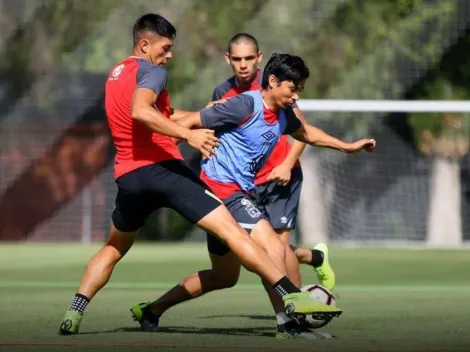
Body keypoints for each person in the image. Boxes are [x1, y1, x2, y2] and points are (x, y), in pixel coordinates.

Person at [58, 13, 339, 336]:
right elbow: (141, 111)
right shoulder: (152, 72)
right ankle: (291, 295)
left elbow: (156, 114)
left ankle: (75, 312)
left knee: (114, 247)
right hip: (167, 172)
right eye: (165, 47)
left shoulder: (116, 74)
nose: (169, 55)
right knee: (234, 232)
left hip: (128, 176)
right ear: (144, 44)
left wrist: (195, 120)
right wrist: (188, 135)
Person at [130, 53, 375, 339]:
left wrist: (346, 147)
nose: (296, 96)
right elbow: (194, 119)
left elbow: (307, 133)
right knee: (272, 243)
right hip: (221, 189)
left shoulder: (283, 116)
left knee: (224, 277)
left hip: (236, 193)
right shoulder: (245, 104)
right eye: (292, 88)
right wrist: (163, 152)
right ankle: (288, 320)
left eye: (300, 90)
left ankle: (152, 310)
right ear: (273, 81)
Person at [210, 33, 335, 293]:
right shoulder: (223, 91)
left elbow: (304, 131)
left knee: (277, 243)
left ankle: (298, 308)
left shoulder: (275, 83)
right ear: (227, 60)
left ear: (259, 58)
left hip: (280, 177)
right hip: (243, 184)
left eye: (248, 58)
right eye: (237, 59)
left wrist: (288, 164)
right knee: (258, 246)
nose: (243, 64)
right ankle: (312, 259)